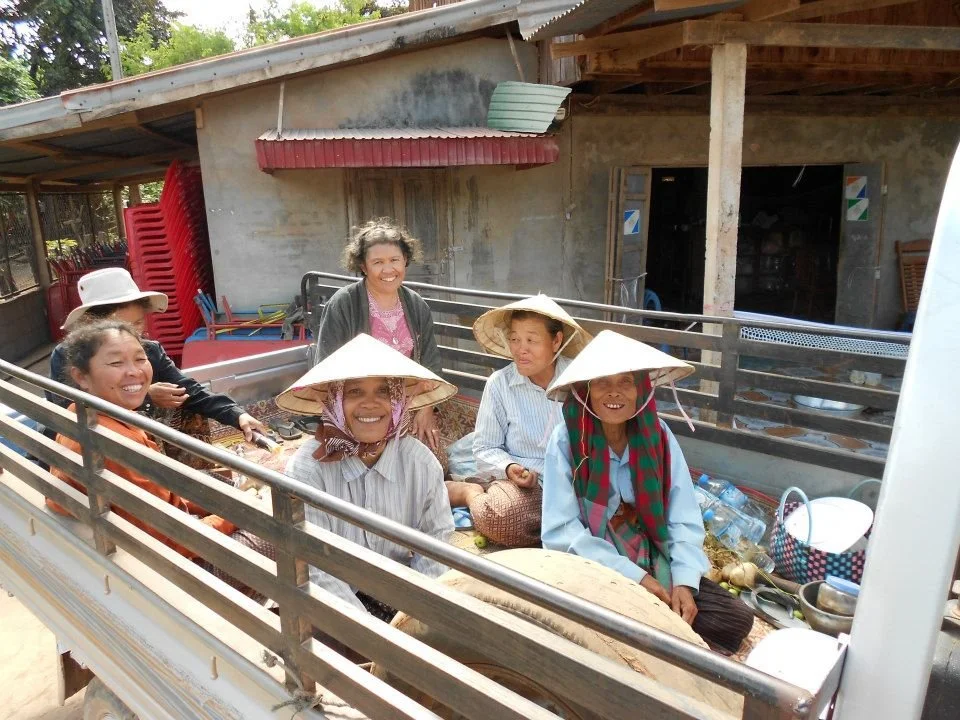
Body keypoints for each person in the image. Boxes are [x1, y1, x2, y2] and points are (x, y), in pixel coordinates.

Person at [541, 330, 754, 655]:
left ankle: (648, 627)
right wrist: (633, 578)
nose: (614, 393)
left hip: (651, 552)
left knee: (735, 620)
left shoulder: (658, 436)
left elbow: (682, 515)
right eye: (602, 382)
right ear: (585, 390)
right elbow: (560, 531)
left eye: (625, 382)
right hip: (593, 562)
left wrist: (682, 580)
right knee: (590, 622)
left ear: (641, 388)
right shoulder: (568, 440)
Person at [45, 320, 274, 593]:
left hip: (134, 542)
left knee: (224, 490)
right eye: (116, 364)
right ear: (81, 377)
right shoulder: (118, 443)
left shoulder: (80, 413)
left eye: (140, 359)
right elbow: (180, 540)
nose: (134, 372)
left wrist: (226, 504)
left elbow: (158, 500)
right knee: (279, 533)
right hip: (167, 574)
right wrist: (242, 511)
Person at [278, 333, 456, 621]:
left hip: (398, 595)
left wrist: (416, 618)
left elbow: (437, 547)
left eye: (384, 392)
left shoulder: (421, 464)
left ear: (400, 402)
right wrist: (374, 636)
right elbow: (316, 568)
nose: (370, 404)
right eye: (354, 392)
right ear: (334, 402)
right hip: (331, 605)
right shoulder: (308, 471)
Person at [47, 268, 264, 448]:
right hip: (98, 441)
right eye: (115, 362)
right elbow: (69, 409)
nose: (134, 334)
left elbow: (188, 390)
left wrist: (236, 415)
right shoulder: (68, 356)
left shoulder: (150, 350)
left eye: (139, 323)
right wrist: (146, 394)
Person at [448, 294, 591, 547]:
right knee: (502, 518)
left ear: (556, 340)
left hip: (579, 481)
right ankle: (470, 494)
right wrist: (509, 468)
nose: (520, 349)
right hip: (529, 484)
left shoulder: (583, 380)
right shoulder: (500, 384)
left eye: (531, 340)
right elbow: (485, 448)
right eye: (514, 339)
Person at [315, 219, 442, 450]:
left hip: (407, 403)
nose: (388, 270)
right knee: (371, 464)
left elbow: (430, 363)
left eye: (395, 260)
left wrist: (426, 409)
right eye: (378, 262)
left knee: (431, 463)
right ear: (363, 266)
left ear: (405, 261)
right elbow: (327, 367)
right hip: (359, 405)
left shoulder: (416, 304)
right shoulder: (344, 303)